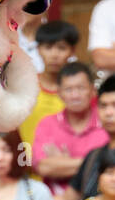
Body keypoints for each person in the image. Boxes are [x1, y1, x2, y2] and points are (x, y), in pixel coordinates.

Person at [31, 62, 107, 200]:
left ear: (92, 90)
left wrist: (62, 163)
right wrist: (93, 163)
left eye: (81, 88)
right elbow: (43, 167)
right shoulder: (47, 124)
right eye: (69, 89)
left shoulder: (106, 123)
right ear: (59, 93)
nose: (75, 95)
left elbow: (110, 168)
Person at [19, 19, 79, 152]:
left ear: (72, 51)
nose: (54, 55)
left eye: (61, 48)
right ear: (38, 49)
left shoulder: (80, 92)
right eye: (48, 47)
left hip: (66, 165)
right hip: (25, 166)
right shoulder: (23, 86)